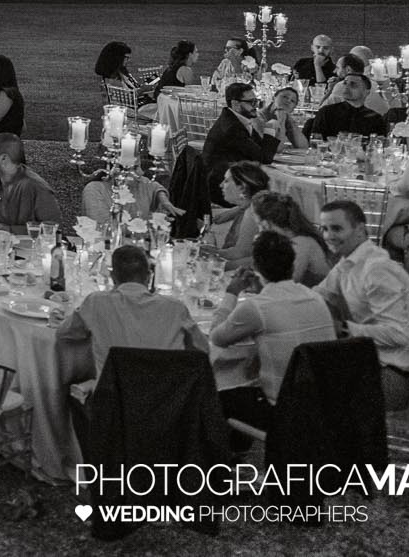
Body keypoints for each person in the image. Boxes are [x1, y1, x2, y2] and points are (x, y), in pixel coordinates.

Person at [210, 229, 339, 432]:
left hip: (281, 409)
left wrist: (232, 292)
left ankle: (222, 456)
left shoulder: (255, 308)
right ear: (292, 264)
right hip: (322, 404)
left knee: (213, 393)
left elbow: (216, 337)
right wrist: (262, 290)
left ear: (255, 265)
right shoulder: (314, 297)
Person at [315, 198, 409, 410]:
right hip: (371, 362)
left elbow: (400, 334)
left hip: (393, 377)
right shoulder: (349, 262)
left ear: (360, 229)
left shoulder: (377, 270)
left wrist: (345, 329)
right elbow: (318, 295)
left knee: (304, 388)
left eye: (336, 228)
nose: (328, 236)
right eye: (324, 229)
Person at [57, 244, 209, 384]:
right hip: (167, 406)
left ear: (112, 277)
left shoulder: (96, 303)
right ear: (149, 277)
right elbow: (203, 351)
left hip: (112, 405)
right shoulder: (176, 309)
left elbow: (65, 334)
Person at [201, 83, 283, 197]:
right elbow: (264, 159)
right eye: (252, 102)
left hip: (234, 177)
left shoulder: (238, 119)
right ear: (235, 104)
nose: (256, 106)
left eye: (257, 101)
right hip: (222, 187)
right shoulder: (232, 128)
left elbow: (260, 149)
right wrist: (269, 131)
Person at [248, 192, 334, 286]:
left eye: (258, 224)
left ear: (266, 224)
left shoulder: (301, 243)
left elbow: (284, 286)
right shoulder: (285, 241)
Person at [206, 162, 271, 265]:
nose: (221, 185)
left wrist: (215, 265)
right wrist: (209, 252)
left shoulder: (254, 212)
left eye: (226, 181)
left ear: (242, 187)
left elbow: (241, 254)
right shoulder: (248, 207)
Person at [304, 73, 390, 141]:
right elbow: (316, 141)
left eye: (353, 85)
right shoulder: (327, 112)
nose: (346, 87)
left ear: (366, 92)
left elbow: (378, 145)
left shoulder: (375, 119)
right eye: (345, 83)